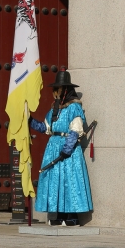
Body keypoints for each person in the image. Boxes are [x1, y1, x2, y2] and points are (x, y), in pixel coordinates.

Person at [29, 69, 93, 225]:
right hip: (53, 148)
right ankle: (57, 216)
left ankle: (71, 217)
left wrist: (67, 149)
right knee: (54, 181)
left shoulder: (74, 108)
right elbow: (46, 128)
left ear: (64, 90)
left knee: (69, 182)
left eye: (57, 89)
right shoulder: (54, 110)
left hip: (68, 152)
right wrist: (29, 120)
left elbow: (75, 129)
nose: (54, 92)